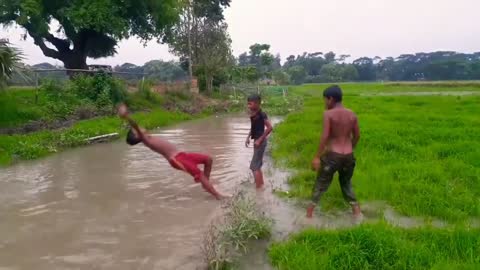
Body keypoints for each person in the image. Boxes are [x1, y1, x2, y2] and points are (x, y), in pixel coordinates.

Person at [117, 104, 226, 200]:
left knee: (208, 159)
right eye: (137, 130)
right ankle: (217, 196)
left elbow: (137, 126)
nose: (141, 127)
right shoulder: (145, 139)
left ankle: (206, 185)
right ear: (137, 135)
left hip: (182, 155)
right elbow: (135, 124)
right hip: (176, 159)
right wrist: (127, 117)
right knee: (199, 174)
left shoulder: (148, 137)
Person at [307, 85, 362, 218]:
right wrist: (351, 147)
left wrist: (316, 157)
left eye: (325, 100)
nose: (325, 103)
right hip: (348, 156)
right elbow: (357, 135)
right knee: (346, 184)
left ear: (330, 99)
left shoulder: (328, 114)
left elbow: (325, 136)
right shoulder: (352, 114)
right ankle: (357, 214)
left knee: (320, 184)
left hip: (332, 156)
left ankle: (308, 217)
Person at [245, 94, 273, 189]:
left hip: (260, 142)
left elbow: (269, 128)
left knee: (254, 167)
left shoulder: (261, 114)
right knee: (257, 165)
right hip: (256, 141)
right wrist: (248, 137)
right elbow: (253, 127)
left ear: (257, 104)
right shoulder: (254, 114)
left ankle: (258, 190)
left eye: (250, 104)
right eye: (248, 104)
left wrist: (260, 140)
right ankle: (260, 185)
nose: (248, 106)